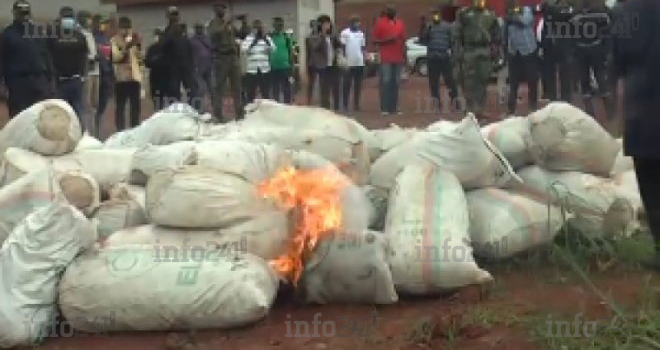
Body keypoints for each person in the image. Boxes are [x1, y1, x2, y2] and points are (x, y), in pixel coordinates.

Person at [612, 0, 660, 271]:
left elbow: (619, 70)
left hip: (641, 111)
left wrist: (622, 120)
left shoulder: (624, 10)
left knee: (652, 187)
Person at [0, 0, 55, 117]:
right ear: (14, 13)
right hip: (18, 83)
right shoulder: (7, 34)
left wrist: (50, 78)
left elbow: (46, 54)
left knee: (39, 117)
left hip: (39, 81)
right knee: (19, 117)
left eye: (26, 13)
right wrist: (2, 84)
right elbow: (2, 60)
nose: (24, 16)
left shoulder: (37, 31)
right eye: (21, 13)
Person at [454, 0, 501, 119]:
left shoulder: (490, 15)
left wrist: (496, 50)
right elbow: (457, 34)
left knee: (483, 80)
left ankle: (479, 109)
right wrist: (457, 51)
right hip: (469, 50)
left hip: (484, 50)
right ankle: (470, 110)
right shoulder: (464, 14)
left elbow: (497, 34)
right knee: (469, 82)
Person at [570, 0, 612, 118]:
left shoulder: (601, 10)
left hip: (594, 48)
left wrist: (607, 49)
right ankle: (590, 111)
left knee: (599, 79)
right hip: (583, 50)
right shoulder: (576, 11)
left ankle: (607, 109)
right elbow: (570, 32)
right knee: (586, 81)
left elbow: (608, 30)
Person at [49, 7, 89, 129]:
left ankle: (81, 137)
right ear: (60, 19)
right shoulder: (53, 36)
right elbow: (48, 56)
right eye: (65, 17)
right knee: (61, 114)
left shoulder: (80, 36)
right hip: (59, 81)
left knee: (78, 113)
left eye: (69, 17)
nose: (68, 20)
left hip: (76, 79)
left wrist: (83, 75)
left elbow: (85, 56)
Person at [208, 2, 244, 121]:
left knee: (237, 86)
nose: (222, 10)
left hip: (233, 57)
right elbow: (214, 34)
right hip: (221, 58)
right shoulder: (213, 24)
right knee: (220, 88)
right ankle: (218, 114)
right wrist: (226, 24)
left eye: (224, 8)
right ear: (215, 9)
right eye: (219, 7)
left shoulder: (229, 24)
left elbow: (241, 35)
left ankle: (239, 113)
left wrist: (244, 23)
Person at [503, 0, 539, 115]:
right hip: (514, 52)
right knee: (514, 82)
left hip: (528, 50)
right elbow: (505, 33)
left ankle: (533, 105)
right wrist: (505, 49)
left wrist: (513, 16)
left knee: (532, 80)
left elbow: (525, 21)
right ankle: (511, 109)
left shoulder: (527, 10)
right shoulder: (507, 16)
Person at [420, 7, 457, 112]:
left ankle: (455, 104)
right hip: (432, 57)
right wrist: (423, 27)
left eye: (436, 14)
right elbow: (423, 41)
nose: (435, 16)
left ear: (440, 15)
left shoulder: (447, 27)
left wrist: (452, 54)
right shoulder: (429, 27)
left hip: (444, 56)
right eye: (433, 14)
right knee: (433, 83)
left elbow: (452, 41)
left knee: (450, 81)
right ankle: (437, 106)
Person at [536, 0, 574, 102]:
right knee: (553, 74)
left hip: (560, 45)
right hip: (553, 45)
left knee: (561, 74)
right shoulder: (549, 7)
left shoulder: (564, 8)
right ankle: (558, 98)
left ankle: (562, 98)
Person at [372, 5, 406, 115]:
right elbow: (375, 40)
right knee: (386, 82)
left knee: (396, 82)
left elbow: (403, 39)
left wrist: (404, 56)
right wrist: (388, 40)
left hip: (398, 57)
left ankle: (394, 107)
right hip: (386, 57)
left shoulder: (400, 23)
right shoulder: (380, 23)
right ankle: (385, 108)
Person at [111, 16, 143, 131]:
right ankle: (120, 131)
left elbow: (139, 59)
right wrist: (127, 47)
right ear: (120, 28)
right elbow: (116, 58)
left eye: (129, 28)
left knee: (135, 107)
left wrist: (138, 46)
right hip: (121, 79)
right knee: (120, 107)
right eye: (124, 28)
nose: (127, 31)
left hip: (134, 78)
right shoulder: (114, 41)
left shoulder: (133, 39)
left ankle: (135, 130)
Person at [161, 6, 194, 105]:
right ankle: (176, 113)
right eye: (172, 15)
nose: (175, 17)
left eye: (176, 14)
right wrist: (171, 35)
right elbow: (163, 47)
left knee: (192, 91)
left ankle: (195, 111)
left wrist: (192, 64)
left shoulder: (183, 29)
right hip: (173, 67)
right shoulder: (167, 31)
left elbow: (189, 47)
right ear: (168, 16)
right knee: (174, 93)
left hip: (186, 66)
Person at [309, 15, 342, 111]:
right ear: (321, 25)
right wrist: (323, 35)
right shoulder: (314, 35)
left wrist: (336, 41)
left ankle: (337, 108)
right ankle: (325, 109)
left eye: (329, 24)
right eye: (325, 24)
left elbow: (339, 45)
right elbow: (315, 47)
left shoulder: (333, 35)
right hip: (322, 66)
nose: (328, 26)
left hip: (334, 65)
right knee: (324, 89)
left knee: (336, 87)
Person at [241, 19, 273, 103]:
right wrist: (254, 42)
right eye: (256, 27)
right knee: (250, 92)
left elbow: (273, 49)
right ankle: (250, 110)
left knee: (265, 92)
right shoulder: (249, 38)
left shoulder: (266, 38)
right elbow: (243, 50)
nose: (258, 29)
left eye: (259, 27)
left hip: (264, 68)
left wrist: (265, 40)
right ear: (253, 28)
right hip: (252, 69)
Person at [91, 14, 113, 137]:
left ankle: (99, 126)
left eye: (105, 23)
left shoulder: (106, 38)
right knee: (94, 104)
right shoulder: (91, 37)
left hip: (107, 74)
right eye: (101, 23)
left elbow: (110, 57)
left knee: (104, 103)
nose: (104, 26)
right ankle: (95, 131)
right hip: (96, 74)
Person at [77, 10, 99, 133]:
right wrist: (90, 58)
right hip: (87, 72)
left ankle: (94, 129)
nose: (89, 21)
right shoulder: (79, 34)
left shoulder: (90, 33)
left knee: (95, 103)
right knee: (86, 103)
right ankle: (86, 131)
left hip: (96, 70)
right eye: (87, 18)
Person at [340, 14, 366, 112]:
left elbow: (362, 48)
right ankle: (345, 104)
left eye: (358, 22)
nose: (357, 24)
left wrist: (365, 57)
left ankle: (356, 104)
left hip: (359, 62)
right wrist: (343, 60)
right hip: (348, 62)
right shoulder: (345, 33)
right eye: (355, 22)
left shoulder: (361, 34)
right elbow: (342, 47)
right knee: (346, 84)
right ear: (351, 22)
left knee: (358, 85)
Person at [190, 22, 213, 113]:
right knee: (201, 89)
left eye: (201, 27)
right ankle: (200, 110)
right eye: (198, 28)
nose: (200, 29)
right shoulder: (192, 40)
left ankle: (214, 110)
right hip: (198, 67)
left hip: (209, 66)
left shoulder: (208, 39)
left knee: (212, 88)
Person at [270, 17, 294, 104]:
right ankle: (276, 108)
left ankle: (287, 106)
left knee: (287, 90)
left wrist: (291, 67)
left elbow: (290, 51)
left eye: (280, 24)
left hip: (285, 67)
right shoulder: (270, 37)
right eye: (277, 24)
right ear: (274, 25)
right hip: (273, 68)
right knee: (275, 90)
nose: (279, 26)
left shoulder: (286, 37)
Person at [145, 28, 168, 110]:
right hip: (156, 78)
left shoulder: (166, 48)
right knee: (158, 102)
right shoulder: (152, 48)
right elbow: (147, 63)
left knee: (161, 102)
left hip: (163, 78)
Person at [305, 19, 319, 105]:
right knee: (311, 83)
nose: (314, 27)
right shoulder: (308, 38)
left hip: (321, 63)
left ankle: (320, 100)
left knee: (322, 83)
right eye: (313, 26)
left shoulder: (322, 37)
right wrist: (307, 63)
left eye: (316, 26)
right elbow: (307, 52)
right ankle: (309, 100)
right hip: (312, 63)